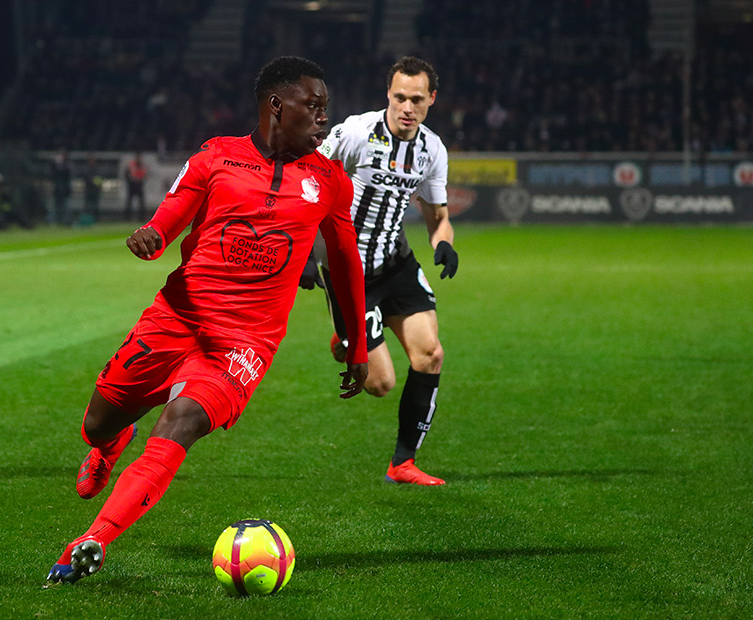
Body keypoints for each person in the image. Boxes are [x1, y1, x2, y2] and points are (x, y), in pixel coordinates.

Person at [47, 56, 369, 584]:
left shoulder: (330, 180)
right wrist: (152, 237)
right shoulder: (217, 156)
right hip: (176, 318)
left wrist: (357, 343)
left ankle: (92, 539)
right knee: (97, 424)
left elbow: (345, 261)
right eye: (313, 106)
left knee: (181, 421)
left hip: (244, 344)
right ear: (276, 105)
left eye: (325, 108)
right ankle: (109, 445)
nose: (323, 118)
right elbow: (170, 216)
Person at [311, 56, 458, 486]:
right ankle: (346, 337)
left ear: (432, 99)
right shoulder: (356, 132)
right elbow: (307, 181)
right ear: (388, 95)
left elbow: (438, 215)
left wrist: (443, 242)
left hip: (396, 263)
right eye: (400, 98)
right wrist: (304, 252)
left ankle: (403, 463)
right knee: (379, 384)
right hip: (347, 270)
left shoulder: (432, 150)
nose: (407, 108)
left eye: (417, 99)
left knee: (431, 355)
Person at [123, 151, 148, 220]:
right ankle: (127, 217)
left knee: (141, 202)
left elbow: (145, 175)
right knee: (129, 201)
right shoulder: (131, 165)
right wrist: (130, 182)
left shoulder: (142, 166)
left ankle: (142, 217)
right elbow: (126, 174)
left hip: (139, 185)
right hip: (132, 185)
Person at [50, 149, 72, 225]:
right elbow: (53, 174)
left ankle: (66, 222)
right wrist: (57, 164)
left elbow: (67, 174)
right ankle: (55, 221)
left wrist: (61, 164)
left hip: (65, 190)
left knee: (66, 207)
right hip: (57, 190)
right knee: (56, 206)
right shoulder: (54, 165)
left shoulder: (68, 164)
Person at [83, 154, 103, 223]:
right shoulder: (87, 169)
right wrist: (93, 181)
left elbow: (100, 179)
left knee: (95, 206)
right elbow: (87, 179)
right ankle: (88, 219)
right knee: (88, 206)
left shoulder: (97, 169)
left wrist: (98, 184)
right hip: (89, 190)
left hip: (95, 191)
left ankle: (95, 218)